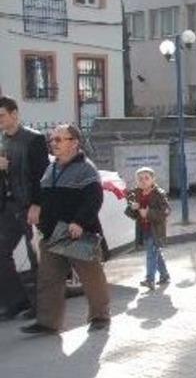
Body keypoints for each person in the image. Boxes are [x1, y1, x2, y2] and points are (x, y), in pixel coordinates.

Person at [22, 124, 110, 334]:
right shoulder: (51, 167)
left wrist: (79, 222)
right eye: (52, 140)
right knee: (49, 279)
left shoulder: (86, 168)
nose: (54, 144)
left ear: (74, 142)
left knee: (91, 278)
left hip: (77, 233)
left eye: (59, 139)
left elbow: (94, 199)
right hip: (52, 233)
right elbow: (43, 195)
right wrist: (36, 207)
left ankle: (100, 316)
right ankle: (47, 323)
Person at [0, 97, 49, 321]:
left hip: (29, 206)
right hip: (8, 207)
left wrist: (37, 205)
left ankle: (43, 309)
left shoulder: (34, 139)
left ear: (14, 114)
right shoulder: (1, 141)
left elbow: (43, 176)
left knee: (36, 258)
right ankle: (17, 302)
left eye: (1, 115)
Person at [124, 167, 171, 290]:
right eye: (140, 179)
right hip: (143, 228)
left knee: (151, 253)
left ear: (153, 179)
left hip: (155, 229)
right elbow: (130, 213)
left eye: (146, 178)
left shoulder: (159, 194)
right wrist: (132, 208)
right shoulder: (136, 193)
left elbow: (165, 212)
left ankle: (150, 279)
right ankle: (164, 275)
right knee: (155, 252)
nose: (143, 181)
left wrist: (148, 213)